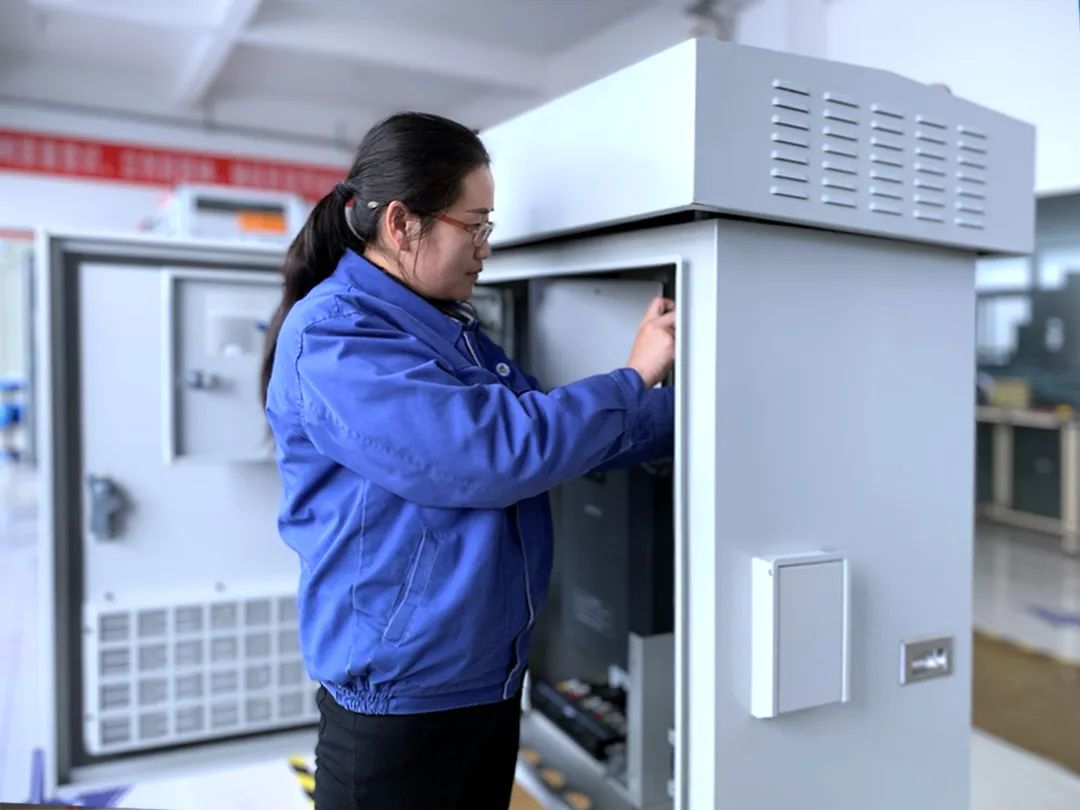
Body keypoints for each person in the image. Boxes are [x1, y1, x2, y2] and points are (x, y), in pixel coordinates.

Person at [260, 112, 676, 810]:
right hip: (400, 702)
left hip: (483, 680)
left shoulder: (444, 326)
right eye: (474, 226)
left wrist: (698, 417)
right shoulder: (336, 336)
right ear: (402, 223)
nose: (484, 249)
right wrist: (633, 376)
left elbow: (550, 429)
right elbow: (493, 452)